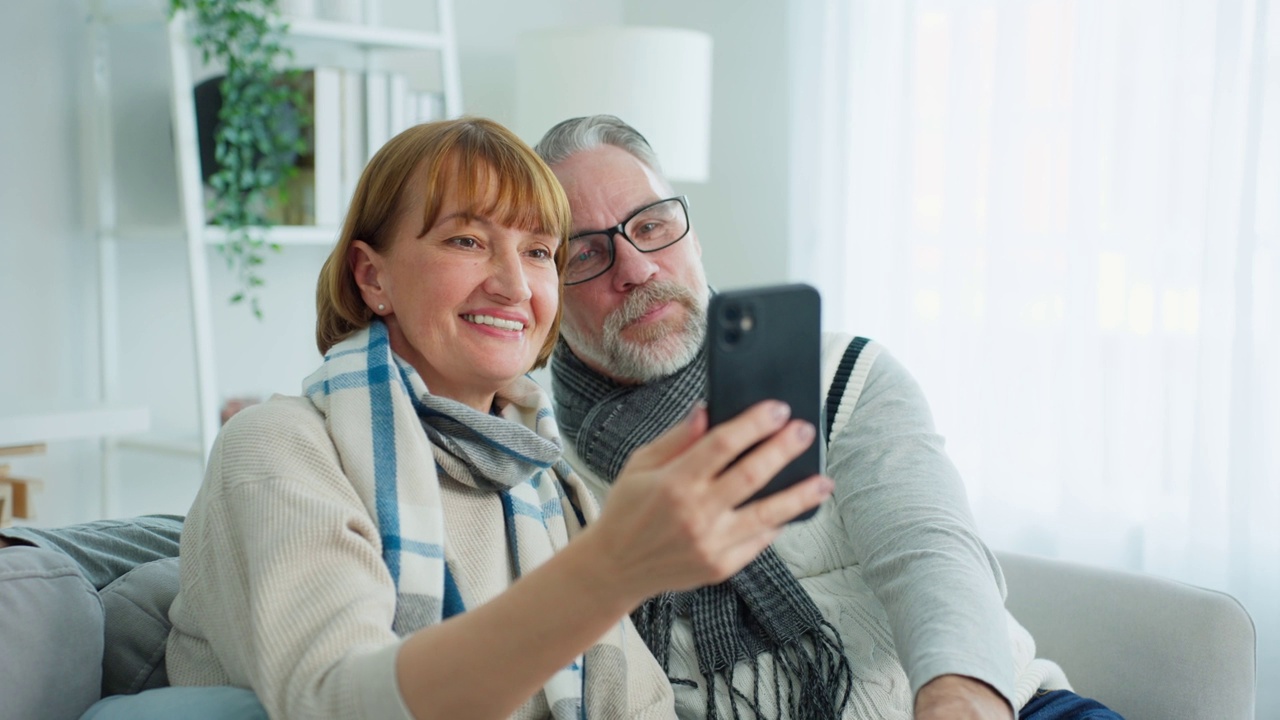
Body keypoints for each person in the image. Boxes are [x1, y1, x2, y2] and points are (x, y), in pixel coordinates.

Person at [83, 117, 828, 720]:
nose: (513, 284)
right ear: (372, 276)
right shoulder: (281, 447)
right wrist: (611, 572)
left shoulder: (543, 481)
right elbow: (338, 701)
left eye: (539, 251)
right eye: (467, 240)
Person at [534, 115, 1123, 720]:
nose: (635, 268)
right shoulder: (539, 460)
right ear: (546, 285)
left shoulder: (846, 373)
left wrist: (961, 697)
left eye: (652, 226)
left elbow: (929, 552)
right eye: (586, 253)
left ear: (692, 235)